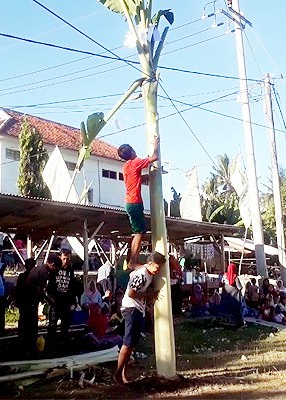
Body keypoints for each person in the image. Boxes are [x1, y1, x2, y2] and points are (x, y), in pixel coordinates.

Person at [115, 251, 165, 385]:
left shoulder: (146, 271)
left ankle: (123, 374)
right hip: (131, 308)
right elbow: (132, 293)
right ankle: (118, 374)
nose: (157, 271)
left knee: (132, 344)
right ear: (150, 264)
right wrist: (150, 295)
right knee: (128, 342)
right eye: (157, 267)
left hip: (137, 309)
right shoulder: (142, 275)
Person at [117, 139, 159, 270]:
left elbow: (137, 180)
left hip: (130, 202)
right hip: (135, 202)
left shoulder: (126, 166)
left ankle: (131, 260)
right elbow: (155, 157)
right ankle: (133, 261)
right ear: (132, 152)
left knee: (138, 232)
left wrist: (150, 176)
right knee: (138, 233)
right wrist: (156, 144)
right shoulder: (136, 162)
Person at [46, 251, 76, 344]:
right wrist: (50, 298)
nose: (66, 261)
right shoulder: (55, 269)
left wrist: (73, 300)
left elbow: (71, 286)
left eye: (68, 259)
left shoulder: (70, 270)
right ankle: (51, 342)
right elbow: (50, 285)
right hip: (55, 300)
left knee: (65, 324)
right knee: (52, 323)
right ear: (60, 258)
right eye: (64, 259)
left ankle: (63, 341)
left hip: (66, 301)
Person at [15, 258, 43, 357]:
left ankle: (27, 346)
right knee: (29, 326)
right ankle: (27, 346)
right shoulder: (28, 277)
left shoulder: (23, 276)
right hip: (28, 304)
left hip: (28, 304)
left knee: (27, 325)